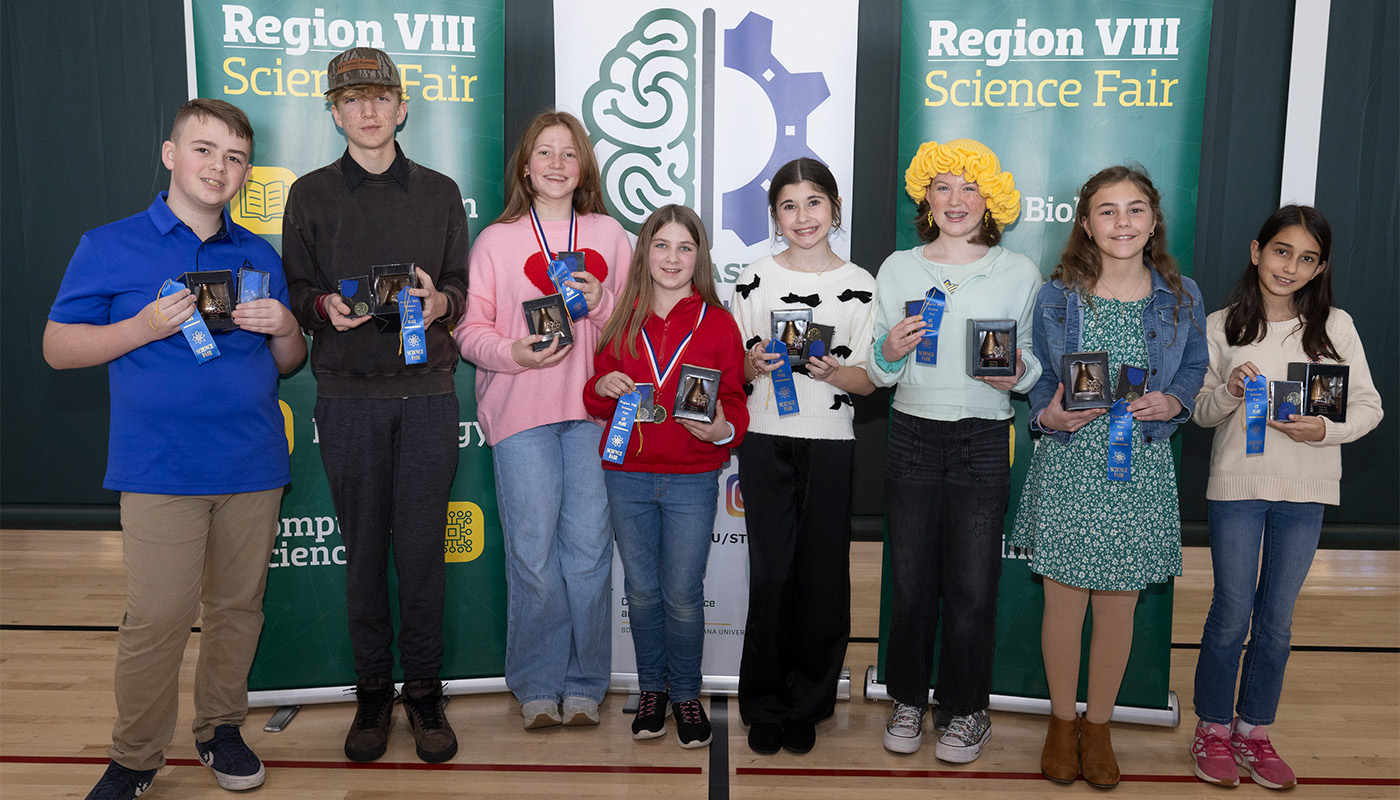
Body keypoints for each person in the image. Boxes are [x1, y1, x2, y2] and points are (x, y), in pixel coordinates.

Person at [45, 99, 306, 799]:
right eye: (204, 149)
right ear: (170, 155)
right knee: (157, 617)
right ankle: (134, 758)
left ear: (246, 171)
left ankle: (220, 729)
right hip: (159, 468)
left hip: (251, 465)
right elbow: (58, 347)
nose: (219, 167)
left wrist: (285, 324)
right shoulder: (109, 245)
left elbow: (288, 361)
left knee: (237, 611)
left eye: (235, 157)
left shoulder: (257, 252)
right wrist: (141, 327)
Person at [281, 47, 469, 764]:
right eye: (351, 100)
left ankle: (423, 692)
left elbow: (458, 286)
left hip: (425, 397)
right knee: (363, 555)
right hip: (347, 398)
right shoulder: (310, 195)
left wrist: (439, 300)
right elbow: (296, 292)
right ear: (334, 112)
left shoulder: (442, 192)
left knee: (421, 553)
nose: (366, 110)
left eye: (379, 97)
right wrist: (324, 307)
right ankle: (370, 693)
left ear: (401, 106)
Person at [1011, 165, 1208, 788]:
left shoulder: (1182, 296)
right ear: (1086, 223)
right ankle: (1061, 724)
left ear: (1153, 221)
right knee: (1064, 604)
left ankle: (1099, 727)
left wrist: (1174, 402)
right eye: (1107, 210)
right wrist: (1049, 410)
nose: (1122, 222)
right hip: (1071, 463)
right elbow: (1039, 373)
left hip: (1138, 469)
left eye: (1135, 209)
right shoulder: (1056, 293)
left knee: (1118, 607)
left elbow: (1196, 365)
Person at [1189, 206, 1382, 789]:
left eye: (1306, 258)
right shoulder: (1222, 324)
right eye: (1281, 251)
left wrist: (1325, 429)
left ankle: (1254, 731)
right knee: (1231, 614)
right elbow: (1199, 411)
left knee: (1276, 621)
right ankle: (1212, 728)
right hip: (1238, 490)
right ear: (1256, 251)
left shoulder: (1336, 327)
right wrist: (1227, 391)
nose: (1290, 266)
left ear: (1320, 267)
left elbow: (1369, 406)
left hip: (1307, 492)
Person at [454, 111, 631, 730]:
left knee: (587, 554)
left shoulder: (610, 235)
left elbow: (636, 330)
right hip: (521, 412)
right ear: (525, 167)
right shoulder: (496, 242)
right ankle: (536, 684)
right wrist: (513, 353)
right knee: (532, 555)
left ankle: (585, 683)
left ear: (582, 167)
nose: (557, 164)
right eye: (544, 153)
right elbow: (469, 330)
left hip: (593, 414)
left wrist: (603, 300)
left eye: (569, 154)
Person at [867, 139, 1042, 763]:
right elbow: (879, 370)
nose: (956, 199)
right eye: (943, 187)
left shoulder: (1019, 272)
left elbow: (1035, 368)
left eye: (969, 188)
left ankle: (968, 710)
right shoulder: (897, 268)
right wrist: (888, 349)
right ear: (926, 198)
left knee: (973, 588)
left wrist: (1017, 372)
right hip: (912, 432)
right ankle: (909, 699)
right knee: (912, 585)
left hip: (984, 437)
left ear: (989, 198)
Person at [582, 204, 749, 748]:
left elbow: (733, 404)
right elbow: (593, 391)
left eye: (684, 247)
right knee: (642, 591)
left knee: (681, 593)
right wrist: (602, 388)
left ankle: (686, 694)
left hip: (692, 479)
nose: (672, 258)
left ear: (698, 257)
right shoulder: (622, 318)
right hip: (626, 475)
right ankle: (652, 688)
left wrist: (721, 428)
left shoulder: (719, 324)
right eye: (661, 245)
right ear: (644, 253)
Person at [730, 158, 876, 755]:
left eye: (813, 202)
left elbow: (870, 382)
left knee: (821, 579)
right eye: (789, 206)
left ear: (834, 210)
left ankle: (808, 704)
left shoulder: (862, 284)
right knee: (770, 575)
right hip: (765, 437)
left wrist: (834, 371)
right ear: (774, 217)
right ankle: (763, 700)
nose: (802, 216)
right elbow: (733, 371)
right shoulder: (751, 277)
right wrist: (755, 364)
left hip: (832, 442)